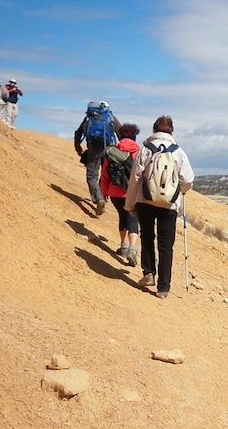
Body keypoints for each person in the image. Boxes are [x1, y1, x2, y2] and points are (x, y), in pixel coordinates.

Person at [125, 116, 194, 299]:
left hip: (145, 201)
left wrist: (130, 203)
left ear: (154, 129)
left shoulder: (146, 149)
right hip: (169, 204)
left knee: (147, 237)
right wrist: (179, 191)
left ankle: (148, 273)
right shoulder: (178, 151)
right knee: (166, 245)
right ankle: (163, 288)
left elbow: (135, 178)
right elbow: (187, 180)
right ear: (171, 130)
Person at [100, 123, 141, 265]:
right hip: (132, 192)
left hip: (114, 192)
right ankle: (132, 249)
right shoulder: (138, 151)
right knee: (133, 218)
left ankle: (123, 247)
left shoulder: (112, 151)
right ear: (135, 136)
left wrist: (103, 192)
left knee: (122, 217)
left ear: (120, 136)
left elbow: (104, 174)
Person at [74, 101, 121, 216]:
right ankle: (103, 197)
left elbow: (78, 133)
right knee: (106, 174)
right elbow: (121, 133)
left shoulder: (88, 118)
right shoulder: (110, 117)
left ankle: (98, 198)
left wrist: (78, 147)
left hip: (93, 149)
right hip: (109, 149)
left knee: (91, 176)